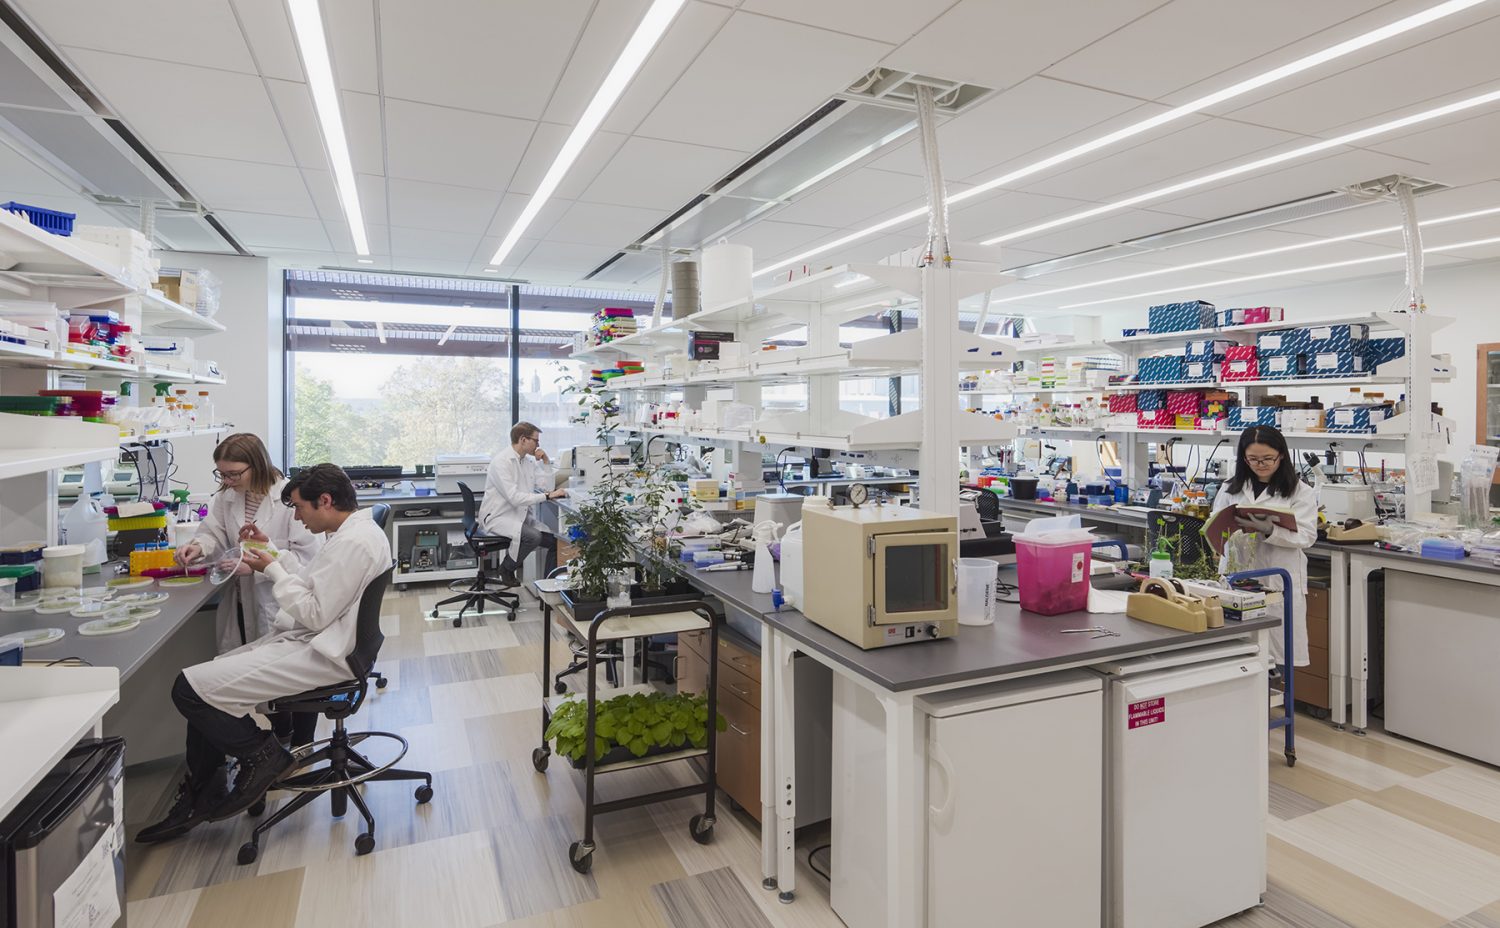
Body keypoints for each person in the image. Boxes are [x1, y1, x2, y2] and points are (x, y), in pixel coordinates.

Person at [136, 464, 390, 844]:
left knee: (190, 688)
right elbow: (315, 581)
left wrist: (272, 570)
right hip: (317, 641)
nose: (298, 518)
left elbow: (315, 613)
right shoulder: (351, 533)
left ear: (325, 500)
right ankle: (206, 789)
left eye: (301, 509)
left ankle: (263, 755)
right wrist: (271, 553)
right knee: (206, 679)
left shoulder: (353, 543)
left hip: (324, 653)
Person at [177, 434, 322, 652]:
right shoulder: (227, 497)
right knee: (239, 658)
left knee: (270, 667)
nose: (227, 481)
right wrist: (199, 547)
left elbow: (309, 561)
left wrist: (258, 568)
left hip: (276, 602)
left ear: (258, 466)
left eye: (234, 474)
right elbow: (213, 534)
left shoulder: (291, 500)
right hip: (239, 598)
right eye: (222, 474)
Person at [1211, 425, 1319, 672]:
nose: (1261, 464)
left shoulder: (1300, 492)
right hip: (1237, 576)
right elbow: (1215, 522)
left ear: (1281, 455)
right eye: (1253, 459)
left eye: (1268, 458)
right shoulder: (1230, 488)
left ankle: (1275, 699)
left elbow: (1306, 536)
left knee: (1278, 654)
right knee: (1237, 651)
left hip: (1277, 576)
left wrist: (1269, 530)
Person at [479, 421, 567, 586]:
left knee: (556, 542)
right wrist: (547, 496)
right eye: (535, 440)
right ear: (523, 439)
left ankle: (547, 587)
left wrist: (546, 462)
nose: (538, 445)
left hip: (519, 517)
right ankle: (506, 568)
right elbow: (514, 498)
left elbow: (546, 487)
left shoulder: (527, 462)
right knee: (533, 537)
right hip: (498, 517)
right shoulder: (502, 462)